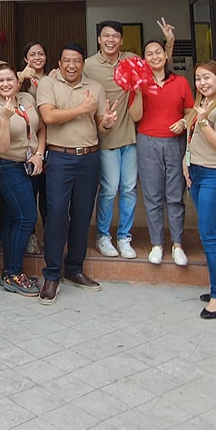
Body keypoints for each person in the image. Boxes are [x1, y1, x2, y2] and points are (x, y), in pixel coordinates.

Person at [36, 43, 118, 304]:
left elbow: (100, 124)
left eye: (77, 61)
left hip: (89, 158)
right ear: (59, 63)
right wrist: (82, 109)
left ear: (83, 63)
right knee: (57, 214)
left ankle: (74, 269)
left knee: (82, 216)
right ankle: (52, 275)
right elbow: (48, 117)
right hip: (60, 157)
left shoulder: (95, 87)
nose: (72, 65)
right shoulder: (49, 84)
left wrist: (106, 123)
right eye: (67, 61)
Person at [181, 61, 216, 319]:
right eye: (198, 78)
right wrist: (186, 162)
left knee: (210, 236)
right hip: (198, 172)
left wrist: (203, 122)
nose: (202, 83)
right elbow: (192, 137)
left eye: (207, 78)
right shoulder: (203, 104)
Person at [84, 21, 143, 260]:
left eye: (115, 36)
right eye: (106, 36)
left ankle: (124, 237)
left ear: (121, 40)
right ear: (99, 39)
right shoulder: (88, 65)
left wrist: (169, 44)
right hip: (105, 136)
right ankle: (103, 236)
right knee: (109, 189)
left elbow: (157, 64)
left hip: (129, 136)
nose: (111, 40)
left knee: (129, 189)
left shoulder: (131, 60)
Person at [0, 63, 45, 297]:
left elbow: (41, 128)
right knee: (27, 217)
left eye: (9, 79)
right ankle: (14, 272)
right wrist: (5, 118)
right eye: (0, 80)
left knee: (13, 219)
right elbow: (0, 146)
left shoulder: (27, 98)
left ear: (18, 82)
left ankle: (9, 272)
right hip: (8, 166)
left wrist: (39, 154)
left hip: (30, 164)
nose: (5, 84)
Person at [136, 38, 193, 267]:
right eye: (149, 53)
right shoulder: (140, 84)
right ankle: (157, 244)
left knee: (175, 195)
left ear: (166, 55)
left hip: (175, 142)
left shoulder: (180, 82)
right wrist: (135, 91)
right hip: (147, 141)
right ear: (144, 59)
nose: (154, 56)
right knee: (152, 196)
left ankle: (177, 244)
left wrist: (184, 122)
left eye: (158, 52)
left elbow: (190, 111)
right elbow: (134, 115)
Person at [18, 40, 49, 253]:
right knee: (30, 192)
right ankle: (30, 236)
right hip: (28, 144)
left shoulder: (54, 78)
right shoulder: (20, 81)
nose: (37, 58)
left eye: (41, 53)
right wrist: (21, 77)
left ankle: (48, 234)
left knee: (49, 195)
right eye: (32, 54)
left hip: (52, 143)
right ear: (25, 59)